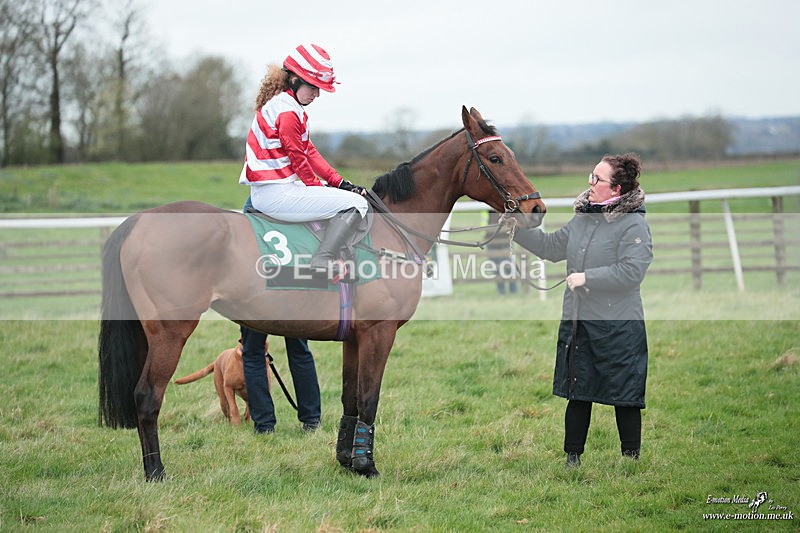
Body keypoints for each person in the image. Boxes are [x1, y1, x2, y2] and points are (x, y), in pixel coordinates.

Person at [513, 153, 652, 466]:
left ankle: (631, 459)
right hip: (580, 320)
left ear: (615, 190)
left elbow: (632, 271)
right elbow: (551, 247)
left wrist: (588, 277)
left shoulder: (634, 224)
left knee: (625, 394)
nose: (590, 183)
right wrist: (516, 230)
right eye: (591, 176)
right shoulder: (582, 219)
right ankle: (572, 458)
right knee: (578, 392)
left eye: (597, 179)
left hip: (619, 325)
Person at [239, 43, 369, 282]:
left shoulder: (285, 105)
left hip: (275, 190)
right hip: (277, 194)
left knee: (346, 197)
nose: (317, 94)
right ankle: (323, 259)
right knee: (357, 205)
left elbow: (309, 151)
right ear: (295, 79)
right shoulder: (287, 112)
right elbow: (298, 158)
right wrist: (318, 187)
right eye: (314, 87)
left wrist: (338, 182)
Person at [485, 210, 518, 295]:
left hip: (505, 238)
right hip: (491, 238)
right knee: (496, 266)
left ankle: (513, 290)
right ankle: (501, 291)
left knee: (508, 265)